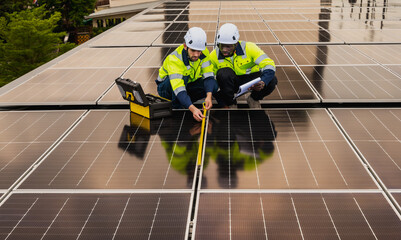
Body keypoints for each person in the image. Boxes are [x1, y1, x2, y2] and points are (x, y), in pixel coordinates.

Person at [156, 27, 218, 121]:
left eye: (199, 51)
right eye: (193, 50)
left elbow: (209, 76)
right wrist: (193, 109)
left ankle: (186, 101)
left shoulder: (203, 53)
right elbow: (179, 89)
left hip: (187, 84)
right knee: (183, 79)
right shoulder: (174, 59)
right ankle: (178, 108)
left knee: (214, 85)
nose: (196, 55)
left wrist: (209, 96)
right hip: (167, 88)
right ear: (185, 46)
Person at [209, 23, 278, 108]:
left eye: (228, 46)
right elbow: (207, 78)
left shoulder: (249, 48)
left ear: (236, 44)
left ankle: (253, 99)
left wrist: (263, 81)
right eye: (221, 46)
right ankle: (231, 103)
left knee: (272, 80)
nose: (224, 50)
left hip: (251, 82)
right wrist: (219, 98)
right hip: (230, 85)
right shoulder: (213, 55)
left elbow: (269, 64)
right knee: (223, 73)